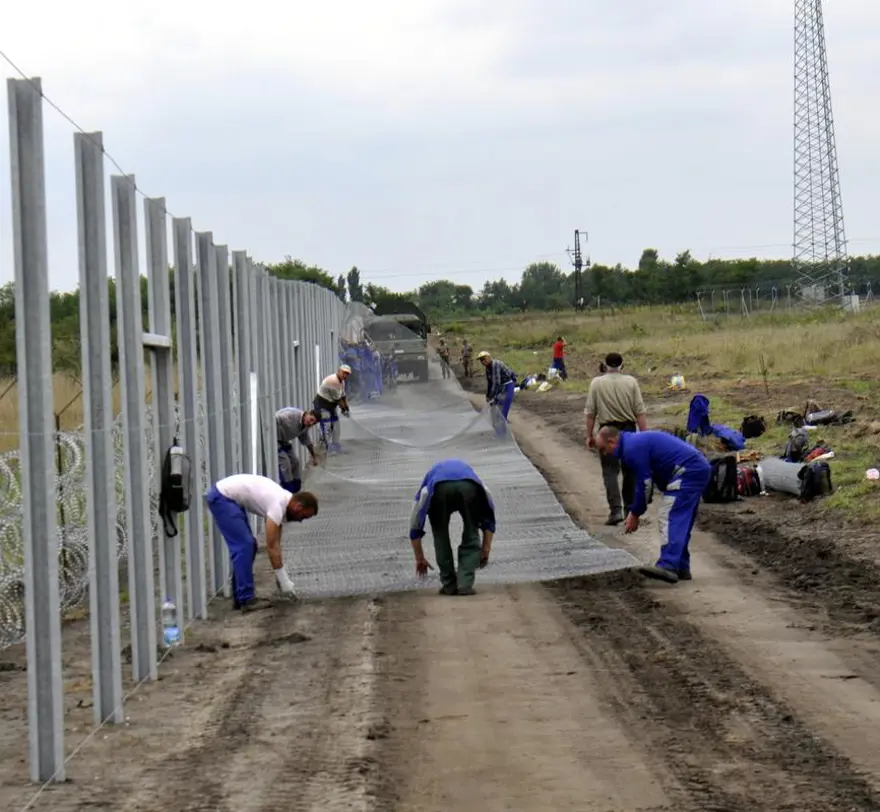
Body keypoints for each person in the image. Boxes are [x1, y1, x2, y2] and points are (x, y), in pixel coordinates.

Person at [596, 427, 711, 584]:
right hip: (696, 468)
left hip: (687, 471)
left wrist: (635, 513)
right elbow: (646, 483)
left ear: (611, 442)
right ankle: (681, 566)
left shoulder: (631, 449)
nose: (604, 454)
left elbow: (645, 484)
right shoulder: (633, 443)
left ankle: (669, 565)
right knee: (681, 520)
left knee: (669, 516)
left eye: (603, 449)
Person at [205, 474, 319, 611]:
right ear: (298, 506)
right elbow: (271, 547)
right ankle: (246, 599)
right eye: (303, 516)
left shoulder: (283, 501)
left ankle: (240, 597)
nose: (300, 520)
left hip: (228, 498)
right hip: (222, 497)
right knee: (244, 546)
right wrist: (284, 581)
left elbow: (276, 545)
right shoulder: (278, 504)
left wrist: (281, 576)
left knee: (250, 546)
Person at [409, 459, 496, 596]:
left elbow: (415, 522)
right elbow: (489, 517)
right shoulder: (473, 478)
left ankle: (449, 584)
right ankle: (465, 584)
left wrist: (419, 557)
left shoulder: (428, 482)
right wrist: (486, 548)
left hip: (439, 488)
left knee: (440, 535)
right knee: (471, 532)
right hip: (469, 486)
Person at [584, 352, 648, 526]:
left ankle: (615, 511)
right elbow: (640, 412)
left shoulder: (596, 383)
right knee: (630, 472)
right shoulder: (631, 382)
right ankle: (630, 510)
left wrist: (589, 435)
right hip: (628, 430)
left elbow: (590, 413)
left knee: (610, 471)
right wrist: (645, 436)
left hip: (606, 431)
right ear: (622, 365)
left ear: (605, 365)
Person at [275, 407, 320, 493]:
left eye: (313, 423)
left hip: (285, 441)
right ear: (307, 413)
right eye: (311, 419)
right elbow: (275, 418)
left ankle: (296, 488)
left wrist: (314, 457)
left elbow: (307, 441)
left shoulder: (305, 425)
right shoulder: (290, 416)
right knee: (285, 463)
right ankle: (286, 489)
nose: (310, 423)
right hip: (275, 440)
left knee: (295, 462)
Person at [313, 364, 352, 452]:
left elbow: (343, 396)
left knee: (336, 424)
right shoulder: (333, 381)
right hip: (322, 404)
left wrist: (347, 408)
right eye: (344, 373)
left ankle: (336, 445)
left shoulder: (342, 382)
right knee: (326, 425)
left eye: (347, 374)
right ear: (339, 371)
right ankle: (326, 447)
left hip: (330, 405)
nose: (345, 375)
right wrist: (344, 410)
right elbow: (338, 400)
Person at [477, 350, 516, 436]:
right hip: (501, 388)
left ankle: (502, 435)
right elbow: (490, 383)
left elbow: (496, 383)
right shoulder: (487, 368)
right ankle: (499, 432)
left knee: (502, 412)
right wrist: (488, 395)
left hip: (508, 386)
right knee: (495, 410)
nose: (482, 362)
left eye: (484, 359)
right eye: (481, 360)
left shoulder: (495, 365)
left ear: (488, 358)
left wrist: (492, 397)